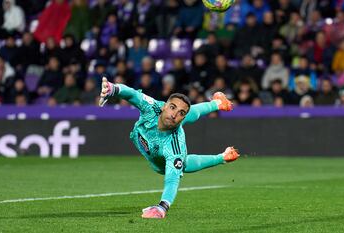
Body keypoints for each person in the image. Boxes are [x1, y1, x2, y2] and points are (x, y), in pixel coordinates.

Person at [98, 77, 239, 219]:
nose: (174, 115)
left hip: (160, 164)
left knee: (181, 164)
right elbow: (132, 94)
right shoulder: (152, 107)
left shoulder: (174, 146)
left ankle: (222, 157)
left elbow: (172, 180)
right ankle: (219, 103)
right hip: (149, 136)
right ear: (164, 105)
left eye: (180, 114)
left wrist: (162, 207)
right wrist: (113, 89)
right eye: (172, 107)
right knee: (189, 111)